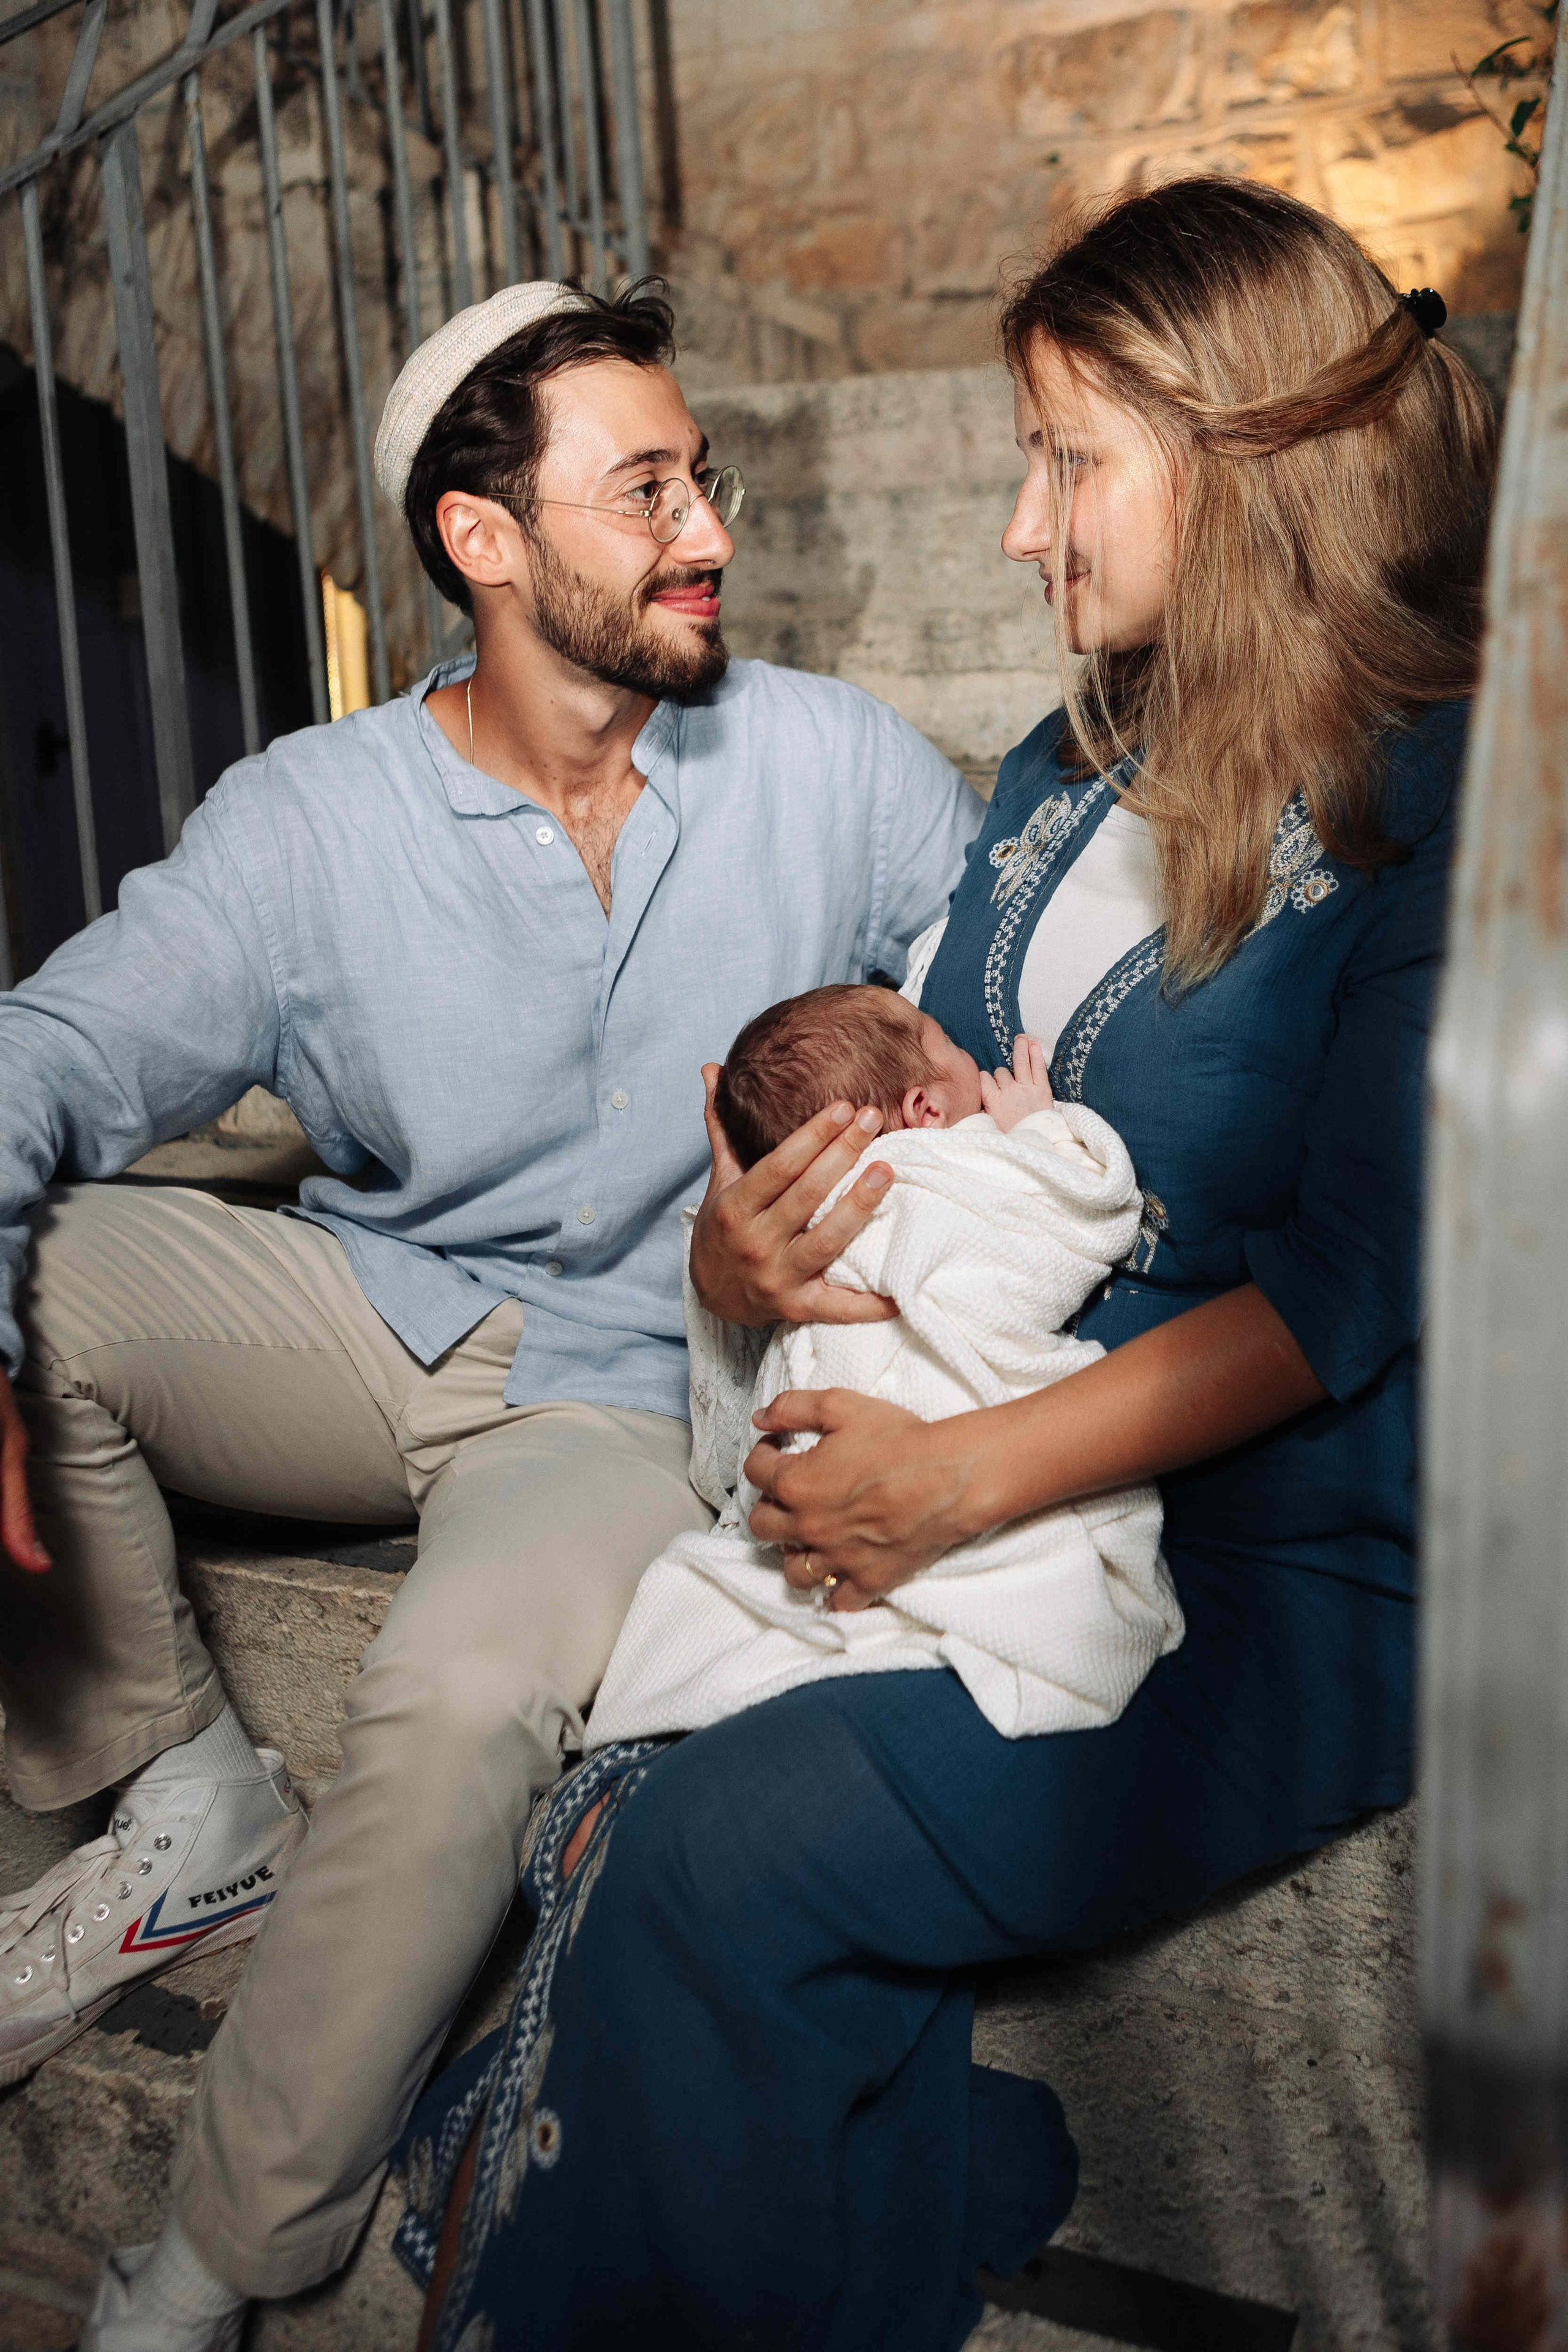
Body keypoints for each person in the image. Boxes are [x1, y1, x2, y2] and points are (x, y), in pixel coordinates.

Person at [399, 179, 1494, 2352]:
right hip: (984, 1459)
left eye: (1067, 459)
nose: (1020, 528)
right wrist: (747, 1250)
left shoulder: (1447, 812)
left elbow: (1354, 1294)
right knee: (667, 1778)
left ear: (1246, 461)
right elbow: (904, 1117)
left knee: (715, 1854)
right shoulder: (1057, 764)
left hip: (1268, 1565)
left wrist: (965, 1482)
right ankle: (889, 2202)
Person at [0, 278, 981, 2351]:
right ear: (486, 541)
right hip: (372, 1310)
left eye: (700, 476)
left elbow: (1024, 1019)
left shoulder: (834, 765)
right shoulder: (311, 821)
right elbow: (52, 1055)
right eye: (646, 490)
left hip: (627, 1393)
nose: (709, 528)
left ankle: (203, 2263)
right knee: (56, 1260)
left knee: (451, 1711)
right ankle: (181, 1774)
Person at [584, 991, 1177, 1749]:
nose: (969, 1053)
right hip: (933, 1440)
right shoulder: (954, 1173)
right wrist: (1041, 1132)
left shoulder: (807, 1218)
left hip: (815, 1472)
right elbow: (1077, 1222)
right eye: (948, 1043)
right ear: (925, 1110)